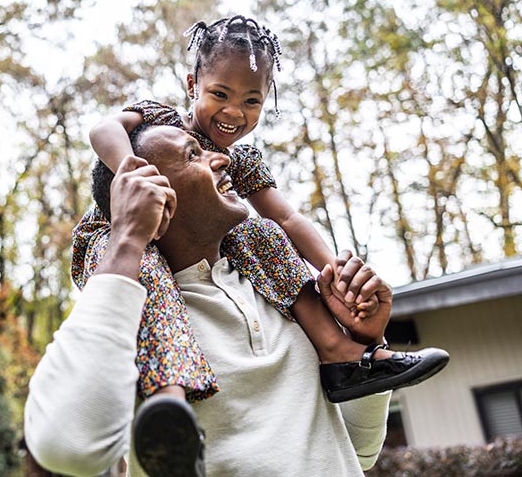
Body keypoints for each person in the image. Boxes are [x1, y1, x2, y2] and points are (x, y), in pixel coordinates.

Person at [28, 125, 448, 476]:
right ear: (149, 191)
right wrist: (126, 236)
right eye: (193, 155)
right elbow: (66, 446)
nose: (223, 159)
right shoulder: (128, 317)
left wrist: (366, 340)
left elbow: (357, 451)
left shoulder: (283, 290)